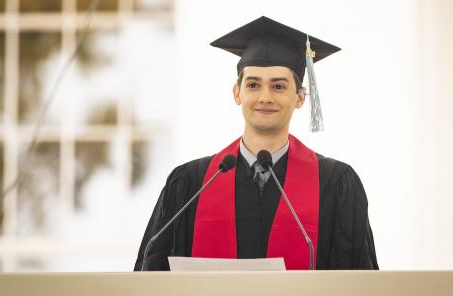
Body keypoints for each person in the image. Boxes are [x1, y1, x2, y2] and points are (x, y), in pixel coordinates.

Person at [134, 16, 378, 271]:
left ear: (300, 97)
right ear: (237, 93)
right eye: (253, 84)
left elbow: (357, 283)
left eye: (279, 86)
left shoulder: (335, 183)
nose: (265, 97)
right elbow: (152, 276)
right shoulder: (191, 183)